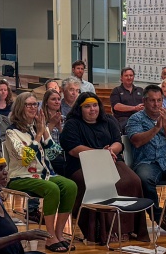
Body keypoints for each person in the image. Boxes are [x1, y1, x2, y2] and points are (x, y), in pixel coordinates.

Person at [59, 94, 149, 243]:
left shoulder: (109, 120)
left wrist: (110, 151)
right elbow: (73, 149)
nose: (92, 109)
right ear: (80, 109)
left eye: (94, 105)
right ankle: (105, 231)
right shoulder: (72, 124)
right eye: (87, 106)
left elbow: (118, 143)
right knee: (100, 185)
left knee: (132, 181)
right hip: (83, 164)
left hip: (111, 159)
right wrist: (99, 154)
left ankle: (128, 229)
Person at [4, 92, 76, 252]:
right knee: (52, 189)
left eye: (34, 104)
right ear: (19, 108)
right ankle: (49, 237)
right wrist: (38, 135)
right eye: (28, 105)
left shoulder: (37, 126)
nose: (32, 108)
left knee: (70, 186)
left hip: (43, 174)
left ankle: (59, 234)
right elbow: (25, 158)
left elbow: (53, 153)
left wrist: (44, 131)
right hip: (19, 176)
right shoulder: (12, 132)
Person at [126, 85, 166, 236]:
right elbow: (137, 141)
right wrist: (155, 129)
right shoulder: (135, 119)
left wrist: (164, 124)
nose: (156, 104)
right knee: (144, 179)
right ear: (144, 101)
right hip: (146, 162)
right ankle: (159, 217)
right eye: (152, 100)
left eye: (159, 100)